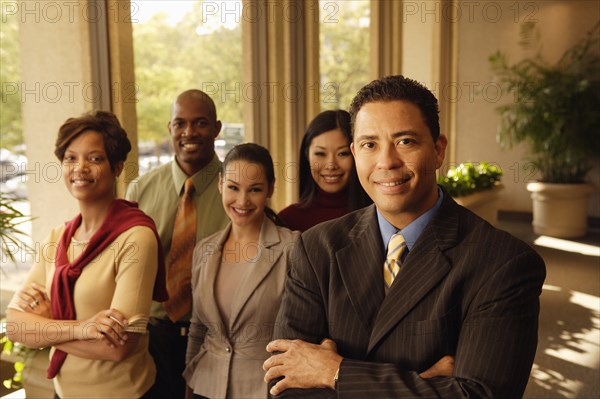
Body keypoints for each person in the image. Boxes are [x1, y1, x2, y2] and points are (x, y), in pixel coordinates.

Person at [263, 75, 546, 398]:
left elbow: (480, 394)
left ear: (438, 150)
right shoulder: (316, 248)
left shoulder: (503, 263)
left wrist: (336, 372)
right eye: (370, 145)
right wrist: (425, 382)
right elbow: (284, 385)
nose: (387, 162)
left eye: (405, 141)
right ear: (356, 153)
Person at [6, 111, 167, 398]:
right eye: (70, 158)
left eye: (94, 158)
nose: (80, 167)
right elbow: (17, 327)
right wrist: (85, 328)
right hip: (63, 393)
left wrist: (48, 326)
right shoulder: (58, 238)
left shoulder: (136, 237)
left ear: (117, 167)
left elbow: (118, 347)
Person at [125, 89, 229, 399]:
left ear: (216, 128)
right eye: (180, 123)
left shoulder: (238, 189)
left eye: (200, 123)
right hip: (152, 337)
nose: (189, 133)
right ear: (170, 128)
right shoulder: (140, 190)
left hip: (215, 336)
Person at [183, 143, 300, 399]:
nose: (242, 201)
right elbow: (197, 328)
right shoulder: (204, 250)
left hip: (266, 389)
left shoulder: (293, 248)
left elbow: (304, 333)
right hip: (206, 385)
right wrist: (189, 385)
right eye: (233, 188)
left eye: (255, 190)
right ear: (220, 184)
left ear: (270, 188)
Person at [277, 109, 371, 232]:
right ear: (307, 155)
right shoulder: (287, 220)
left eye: (342, 153)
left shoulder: (379, 214)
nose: (331, 165)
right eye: (320, 153)